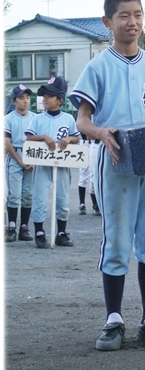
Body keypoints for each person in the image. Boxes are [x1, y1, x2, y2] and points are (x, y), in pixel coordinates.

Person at [69, 0, 145, 351]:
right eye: (123, 16)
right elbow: (81, 119)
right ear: (108, 22)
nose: (132, 22)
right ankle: (113, 319)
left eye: (137, 15)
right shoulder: (98, 66)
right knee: (117, 239)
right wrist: (101, 132)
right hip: (116, 158)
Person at [25, 77, 81, 249]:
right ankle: (40, 232)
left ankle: (61, 233)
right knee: (40, 197)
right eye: (44, 95)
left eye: (50, 95)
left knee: (63, 198)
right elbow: (29, 137)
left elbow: (77, 138)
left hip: (62, 164)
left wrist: (69, 139)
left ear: (60, 100)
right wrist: (43, 137)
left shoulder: (68, 119)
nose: (45, 99)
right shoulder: (38, 119)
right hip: (42, 164)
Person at [4, 84, 36, 243]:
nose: (25, 101)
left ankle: (24, 227)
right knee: (14, 195)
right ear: (14, 101)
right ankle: (11, 228)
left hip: (31, 156)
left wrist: (33, 161)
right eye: (21, 98)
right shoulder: (8, 118)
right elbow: (7, 143)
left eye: (27, 98)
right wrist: (20, 161)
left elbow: (40, 140)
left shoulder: (34, 117)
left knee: (28, 194)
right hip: (15, 156)